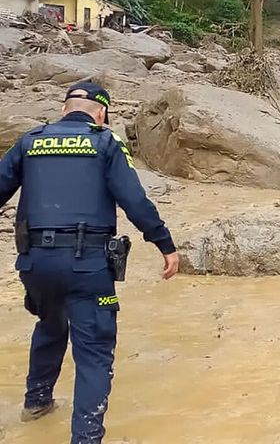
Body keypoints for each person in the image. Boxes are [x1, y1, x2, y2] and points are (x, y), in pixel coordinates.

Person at [0, 82, 179, 443]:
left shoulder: (31, 140)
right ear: (102, 114)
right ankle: (85, 438)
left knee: (50, 324)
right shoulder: (105, 141)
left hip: (35, 264)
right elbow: (134, 200)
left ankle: (36, 403)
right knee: (94, 352)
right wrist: (165, 244)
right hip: (86, 265)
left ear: (64, 109)